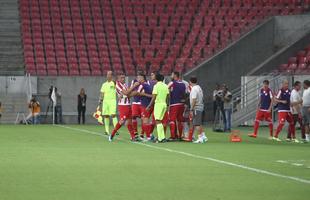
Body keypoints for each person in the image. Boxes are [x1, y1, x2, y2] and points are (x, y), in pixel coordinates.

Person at [109, 73, 139, 142]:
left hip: (128, 105)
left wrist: (134, 93)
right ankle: (112, 134)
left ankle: (133, 137)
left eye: (124, 77)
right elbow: (126, 93)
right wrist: (134, 86)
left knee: (129, 122)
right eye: (121, 78)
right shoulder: (118, 84)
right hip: (123, 106)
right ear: (118, 79)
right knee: (122, 121)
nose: (123, 79)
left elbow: (128, 94)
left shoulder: (124, 84)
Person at [147, 73, 169, 143]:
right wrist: (167, 105)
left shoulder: (156, 86)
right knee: (160, 121)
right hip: (164, 104)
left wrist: (149, 106)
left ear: (156, 79)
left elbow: (154, 97)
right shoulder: (166, 86)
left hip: (158, 104)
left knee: (158, 121)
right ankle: (162, 137)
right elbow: (168, 96)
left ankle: (160, 138)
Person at [187, 76, 207, 143]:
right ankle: (203, 136)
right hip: (200, 106)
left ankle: (200, 138)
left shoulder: (194, 89)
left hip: (196, 107)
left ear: (190, 82)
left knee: (196, 124)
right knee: (199, 123)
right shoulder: (199, 87)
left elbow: (194, 99)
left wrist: (191, 109)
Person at [167, 71, 186, 140]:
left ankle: (173, 136)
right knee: (180, 120)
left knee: (172, 120)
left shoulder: (172, 83)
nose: (171, 75)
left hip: (174, 104)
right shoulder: (183, 84)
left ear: (175, 75)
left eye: (172, 74)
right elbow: (185, 94)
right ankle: (180, 136)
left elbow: (165, 89)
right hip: (181, 104)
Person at [136, 73, 154, 141]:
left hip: (145, 105)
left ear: (142, 78)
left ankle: (149, 136)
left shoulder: (142, 85)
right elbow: (152, 95)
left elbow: (137, 93)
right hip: (149, 105)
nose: (138, 79)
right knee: (146, 121)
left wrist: (142, 94)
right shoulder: (148, 85)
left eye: (138, 78)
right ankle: (142, 135)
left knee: (145, 121)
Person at [100, 71, 118, 135]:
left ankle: (116, 130)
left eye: (109, 74)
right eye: (107, 74)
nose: (108, 76)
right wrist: (100, 100)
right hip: (105, 101)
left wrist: (114, 80)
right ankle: (107, 131)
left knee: (113, 115)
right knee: (106, 116)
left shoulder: (114, 83)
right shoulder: (104, 84)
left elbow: (117, 84)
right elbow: (102, 93)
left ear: (112, 76)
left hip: (112, 101)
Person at [130, 70, 144, 136]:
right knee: (133, 117)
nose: (138, 78)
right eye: (137, 76)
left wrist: (134, 93)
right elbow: (131, 89)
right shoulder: (134, 81)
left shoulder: (144, 83)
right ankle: (135, 132)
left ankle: (142, 133)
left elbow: (137, 92)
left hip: (142, 103)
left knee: (143, 118)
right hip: (135, 102)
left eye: (140, 76)